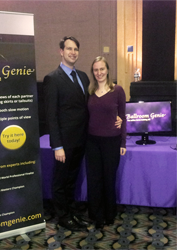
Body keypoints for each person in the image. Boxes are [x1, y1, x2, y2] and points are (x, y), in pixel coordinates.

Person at [43, 37, 121, 231]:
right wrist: (57, 146)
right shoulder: (53, 78)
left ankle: (71, 213)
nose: (73, 52)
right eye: (69, 48)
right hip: (64, 142)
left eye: (76, 49)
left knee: (71, 180)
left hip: (82, 140)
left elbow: (95, 107)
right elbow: (50, 116)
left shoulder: (85, 77)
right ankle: (63, 217)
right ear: (61, 51)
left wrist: (116, 117)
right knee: (60, 181)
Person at [86, 56, 126, 230]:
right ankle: (96, 215)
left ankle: (110, 214)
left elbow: (123, 117)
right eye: (96, 70)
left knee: (109, 179)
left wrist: (123, 143)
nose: (99, 72)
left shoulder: (117, 90)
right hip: (92, 142)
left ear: (107, 70)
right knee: (94, 180)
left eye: (102, 69)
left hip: (112, 141)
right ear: (93, 72)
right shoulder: (89, 91)